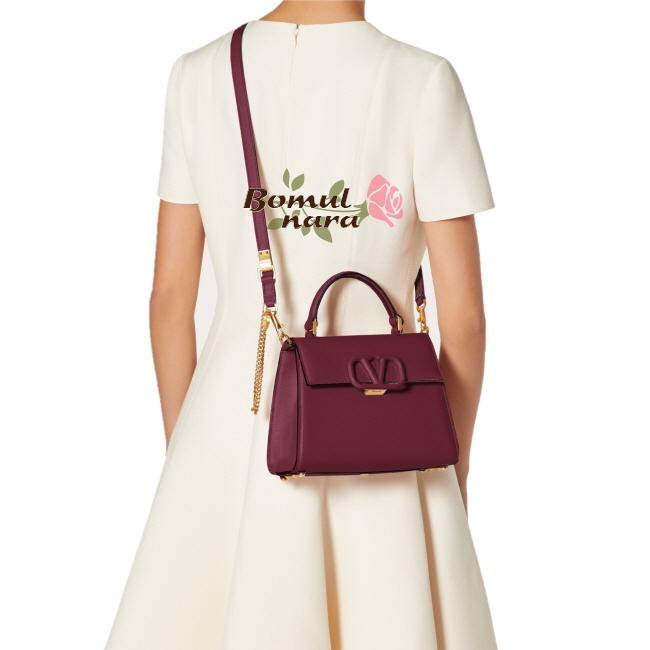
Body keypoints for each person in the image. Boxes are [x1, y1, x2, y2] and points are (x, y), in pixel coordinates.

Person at [104, 1, 499, 648]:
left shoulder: (197, 75)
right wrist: (454, 469)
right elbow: (466, 319)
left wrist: (191, 457)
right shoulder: (424, 80)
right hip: (385, 430)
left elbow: (169, 300)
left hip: (229, 431)